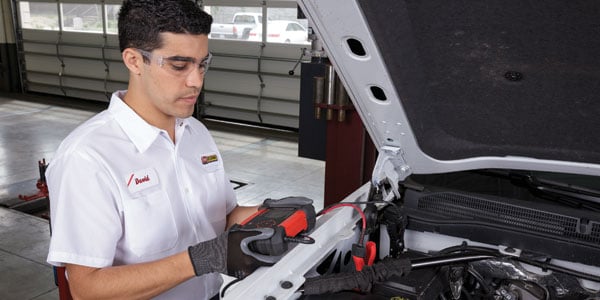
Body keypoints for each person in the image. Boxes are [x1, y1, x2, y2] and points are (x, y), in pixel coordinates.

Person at [46, 1, 258, 299]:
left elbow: (222, 217)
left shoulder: (195, 132)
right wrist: (197, 261)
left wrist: (271, 214)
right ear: (134, 61)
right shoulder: (87, 157)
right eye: (179, 66)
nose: (196, 81)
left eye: (202, 64)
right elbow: (87, 288)